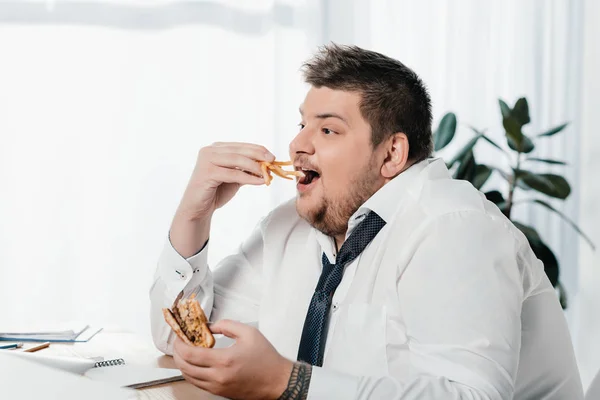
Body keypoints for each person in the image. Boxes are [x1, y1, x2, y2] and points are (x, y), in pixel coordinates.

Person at [149, 44, 583, 400]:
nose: (297, 143)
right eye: (302, 124)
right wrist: (195, 210)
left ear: (392, 154)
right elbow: (183, 339)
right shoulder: (291, 226)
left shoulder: (455, 226)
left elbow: (471, 396)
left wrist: (289, 382)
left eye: (328, 130)